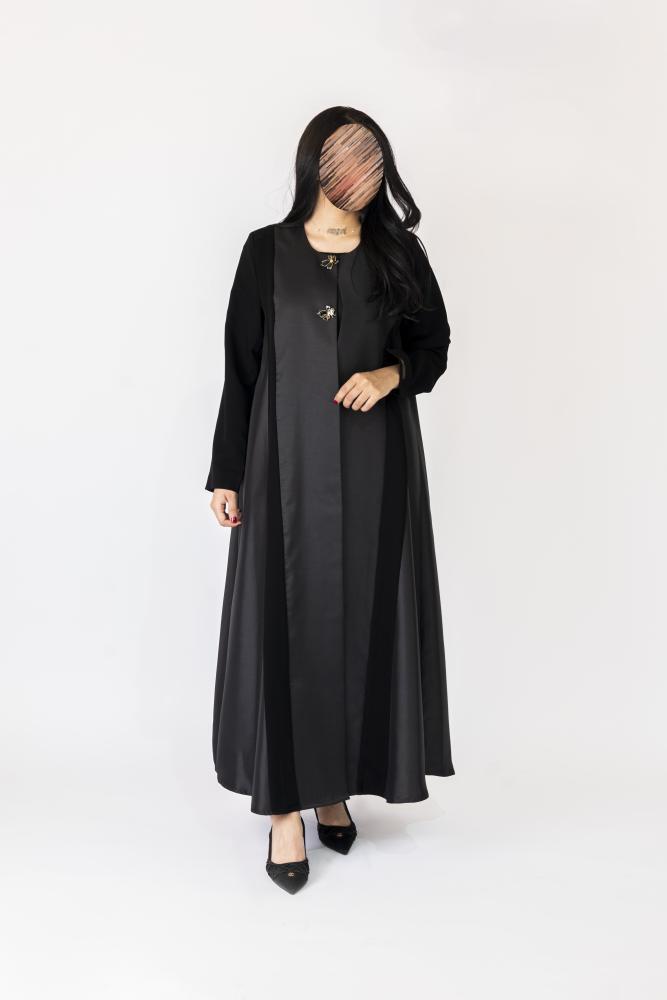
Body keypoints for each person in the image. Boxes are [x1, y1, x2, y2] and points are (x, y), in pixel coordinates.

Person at [205, 107, 455, 894]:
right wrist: (226, 473)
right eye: (341, 156)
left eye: (369, 157)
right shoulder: (266, 252)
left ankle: (333, 787)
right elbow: (241, 367)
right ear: (312, 161)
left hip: (378, 465)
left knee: (361, 625)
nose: (356, 172)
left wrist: (389, 374)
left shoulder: (397, 252)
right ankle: (285, 808)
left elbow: (433, 346)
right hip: (280, 468)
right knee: (288, 628)